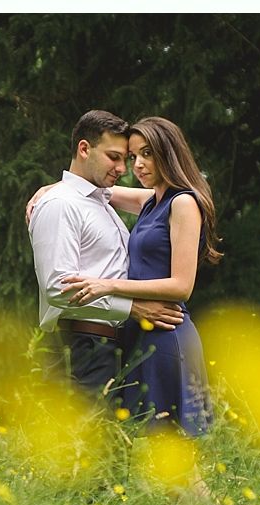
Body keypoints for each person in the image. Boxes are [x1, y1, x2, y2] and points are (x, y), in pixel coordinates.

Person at [59, 116, 222, 436]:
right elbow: (92, 188)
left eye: (147, 154)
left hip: (166, 332)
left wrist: (108, 286)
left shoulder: (183, 203)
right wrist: (49, 190)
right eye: (133, 157)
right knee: (147, 450)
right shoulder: (153, 201)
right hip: (141, 334)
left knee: (173, 449)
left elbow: (182, 286)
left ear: (168, 152)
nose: (138, 165)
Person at [28, 110, 185, 396]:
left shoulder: (100, 202)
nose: (124, 169)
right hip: (80, 346)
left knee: (113, 440)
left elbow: (177, 197)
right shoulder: (60, 205)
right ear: (84, 149)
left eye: (125, 159)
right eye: (114, 157)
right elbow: (57, 289)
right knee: (87, 439)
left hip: (110, 346)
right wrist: (133, 308)